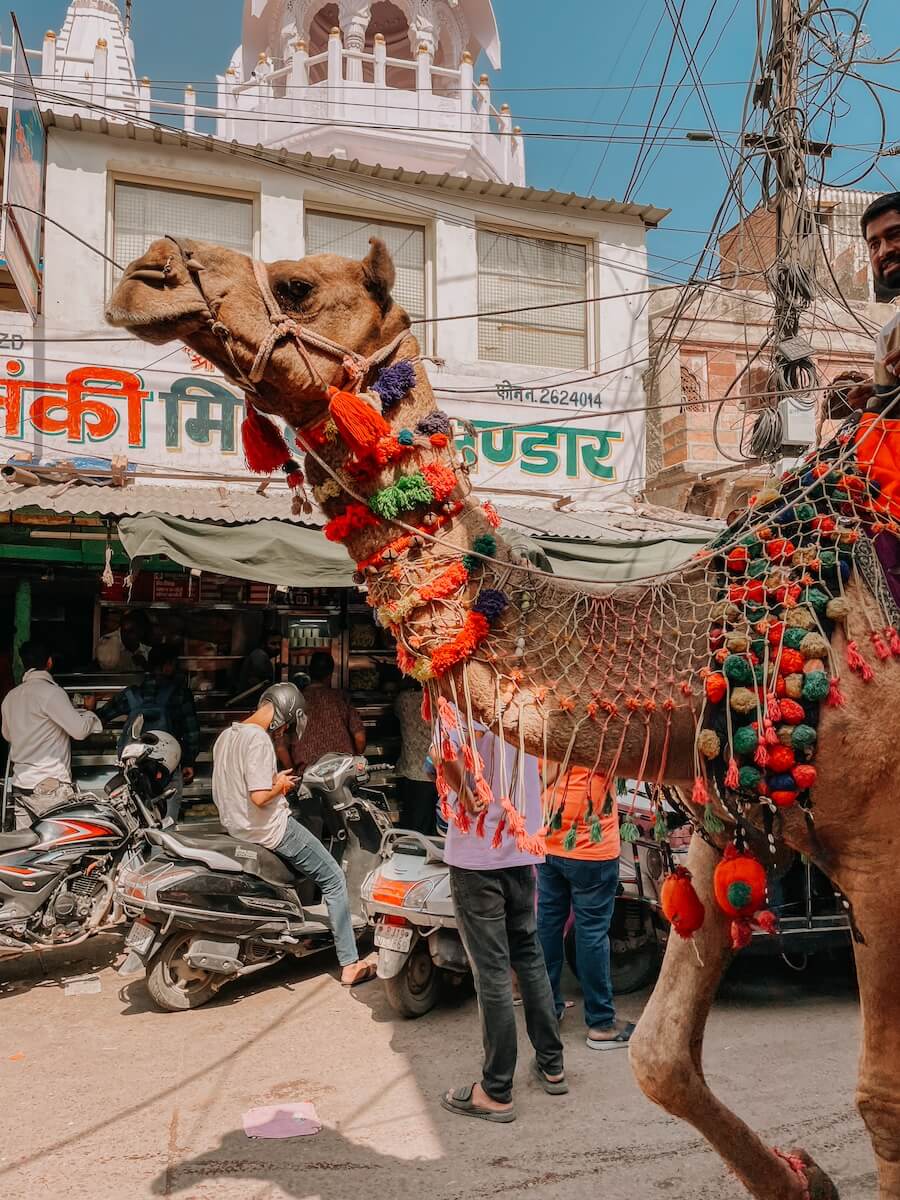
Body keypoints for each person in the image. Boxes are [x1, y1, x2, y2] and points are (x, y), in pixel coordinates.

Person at [439, 719, 565, 1123]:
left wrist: (464, 790)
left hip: (478, 855)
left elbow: (443, 756)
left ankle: (495, 1090)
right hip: (520, 848)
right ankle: (552, 1064)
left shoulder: (461, 696)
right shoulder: (520, 697)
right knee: (528, 954)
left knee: (492, 971)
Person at [211, 682, 375, 987]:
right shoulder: (258, 739)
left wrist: (274, 780)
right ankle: (350, 963)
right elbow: (260, 797)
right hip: (271, 830)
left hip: (238, 828)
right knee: (334, 879)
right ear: (283, 712)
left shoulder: (226, 737)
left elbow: (236, 786)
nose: (282, 730)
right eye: (286, 723)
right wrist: (282, 787)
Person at [536, 767, 634, 1051]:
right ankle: (601, 1023)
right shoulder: (603, 724)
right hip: (591, 845)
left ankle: (546, 1011)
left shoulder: (547, 723)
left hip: (551, 837)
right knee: (591, 933)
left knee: (548, 926)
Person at [1, 639, 101, 825]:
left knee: (30, 849)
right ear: (49, 662)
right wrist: (89, 712)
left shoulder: (11, 697)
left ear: (24, 663)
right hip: (50, 787)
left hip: (21, 785)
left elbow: (7, 735)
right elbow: (79, 731)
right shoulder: (52, 693)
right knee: (59, 847)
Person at [98, 644, 200, 823]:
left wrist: (89, 709)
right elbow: (191, 732)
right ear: (167, 666)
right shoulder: (180, 694)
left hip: (134, 769)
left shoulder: (131, 694)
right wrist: (189, 762)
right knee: (166, 824)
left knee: (136, 821)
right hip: (168, 767)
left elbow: (101, 718)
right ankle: (160, 850)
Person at [292, 651, 365, 772]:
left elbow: (280, 747)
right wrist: (354, 756)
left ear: (309, 672)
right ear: (330, 674)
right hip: (342, 771)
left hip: (308, 774)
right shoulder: (341, 698)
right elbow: (360, 739)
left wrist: (295, 774)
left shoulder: (295, 701)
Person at [393, 680, 437, 835]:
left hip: (413, 770)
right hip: (437, 771)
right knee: (435, 824)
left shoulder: (404, 699)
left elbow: (395, 711)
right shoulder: (441, 699)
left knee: (415, 824)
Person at [234, 629, 282, 698]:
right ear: (263, 644)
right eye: (273, 644)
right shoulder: (260, 656)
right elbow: (262, 684)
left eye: (279, 644)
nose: (278, 647)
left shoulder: (262, 656)